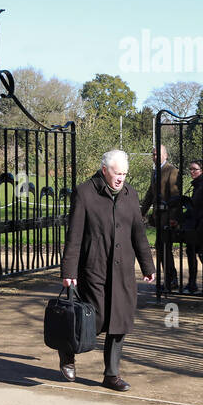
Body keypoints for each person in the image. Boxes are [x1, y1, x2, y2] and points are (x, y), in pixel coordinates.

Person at [60, 149, 155, 391]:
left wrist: (147, 265)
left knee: (120, 321)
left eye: (124, 173)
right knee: (95, 319)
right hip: (94, 269)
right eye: (117, 173)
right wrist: (68, 272)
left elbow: (138, 234)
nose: (121, 178)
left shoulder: (130, 194)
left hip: (123, 271)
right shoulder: (84, 193)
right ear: (104, 170)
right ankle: (67, 350)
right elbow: (74, 237)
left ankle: (111, 375)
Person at [140, 144, 180, 288]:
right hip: (159, 216)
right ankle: (169, 280)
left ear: (166, 155)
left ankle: (172, 280)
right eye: (153, 154)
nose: (154, 157)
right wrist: (141, 213)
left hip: (168, 217)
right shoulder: (155, 171)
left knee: (165, 248)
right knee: (161, 248)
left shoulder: (172, 171)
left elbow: (175, 196)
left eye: (157, 154)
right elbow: (150, 195)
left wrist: (173, 218)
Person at [182, 159, 203, 293]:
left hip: (200, 226)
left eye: (195, 169)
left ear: (202, 170)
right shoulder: (197, 185)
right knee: (193, 253)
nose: (192, 172)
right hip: (193, 226)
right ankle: (192, 283)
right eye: (190, 169)